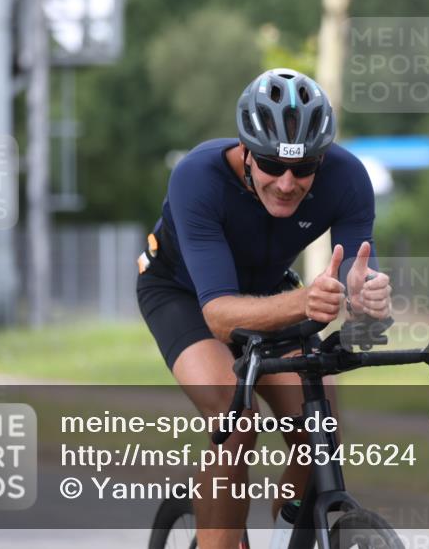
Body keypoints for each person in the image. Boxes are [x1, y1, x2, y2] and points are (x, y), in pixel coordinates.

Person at [137, 67, 392, 548]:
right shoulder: (198, 177)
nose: (288, 182)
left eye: (305, 167)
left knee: (320, 429)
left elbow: (359, 269)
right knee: (236, 420)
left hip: (270, 291)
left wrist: (367, 293)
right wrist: (307, 299)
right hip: (185, 296)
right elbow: (219, 317)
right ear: (246, 153)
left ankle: (286, 533)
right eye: (273, 165)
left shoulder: (348, 178)